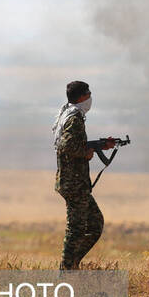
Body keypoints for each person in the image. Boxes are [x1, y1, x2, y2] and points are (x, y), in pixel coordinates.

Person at [51, 81, 116, 270]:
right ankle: (66, 269)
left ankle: (71, 264)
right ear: (81, 97)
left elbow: (72, 143)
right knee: (76, 229)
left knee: (95, 224)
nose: (90, 97)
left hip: (75, 182)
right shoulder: (74, 117)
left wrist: (99, 145)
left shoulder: (67, 113)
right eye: (88, 94)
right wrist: (85, 153)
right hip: (74, 183)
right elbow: (67, 145)